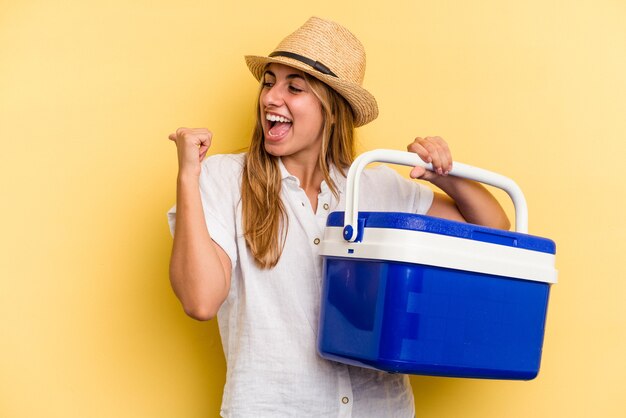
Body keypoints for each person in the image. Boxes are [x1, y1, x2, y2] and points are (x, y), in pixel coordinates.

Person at [167, 16, 509, 418]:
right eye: (269, 82)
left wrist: (443, 175)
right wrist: (188, 175)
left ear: (332, 110)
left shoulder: (377, 186)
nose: (271, 98)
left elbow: (495, 232)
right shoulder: (223, 179)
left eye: (294, 88)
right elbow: (201, 300)